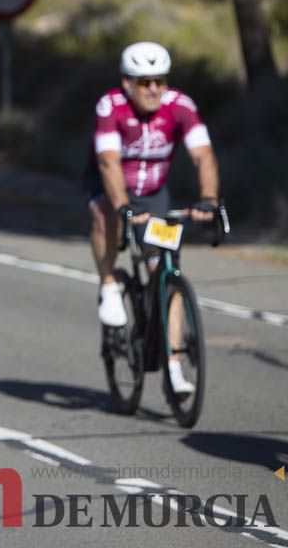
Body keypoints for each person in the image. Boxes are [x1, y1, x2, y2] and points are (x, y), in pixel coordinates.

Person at [88, 41, 218, 394]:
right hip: (112, 185)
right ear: (127, 83)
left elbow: (203, 154)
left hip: (155, 194)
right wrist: (122, 205)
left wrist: (208, 200)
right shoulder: (110, 106)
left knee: (165, 272)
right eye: (144, 82)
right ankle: (110, 285)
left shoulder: (180, 106)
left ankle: (174, 369)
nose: (154, 89)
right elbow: (108, 162)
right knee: (105, 213)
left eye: (159, 81)